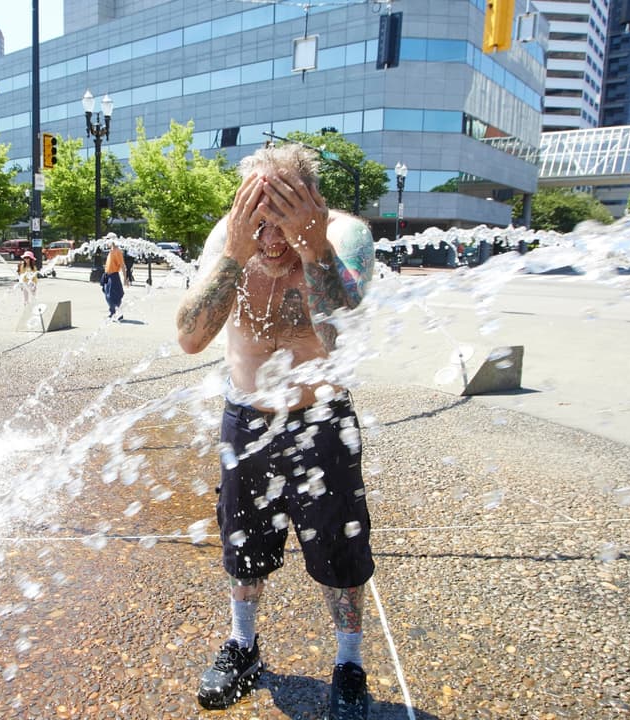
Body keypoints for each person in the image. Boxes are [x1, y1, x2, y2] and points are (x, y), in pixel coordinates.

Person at [175, 144, 376, 719]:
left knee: (340, 548)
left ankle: (349, 663)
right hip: (247, 417)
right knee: (241, 542)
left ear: (311, 203)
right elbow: (190, 337)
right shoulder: (230, 239)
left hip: (321, 421)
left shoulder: (346, 237)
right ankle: (243, 645)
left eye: (283, 219)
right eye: (258, 219)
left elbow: (341, 343)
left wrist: (313, 248)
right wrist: (234, 255)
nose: (269, 240)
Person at [101, 241, 126, 320]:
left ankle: (117, 313)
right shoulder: (111, 250)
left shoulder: (117, 251)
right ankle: (113, 312)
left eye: (107, 240)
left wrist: (125, 278)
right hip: (107, 275)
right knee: (107, 294)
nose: (106, 242)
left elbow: (122, 265)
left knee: (113, 296)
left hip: (113, 276)